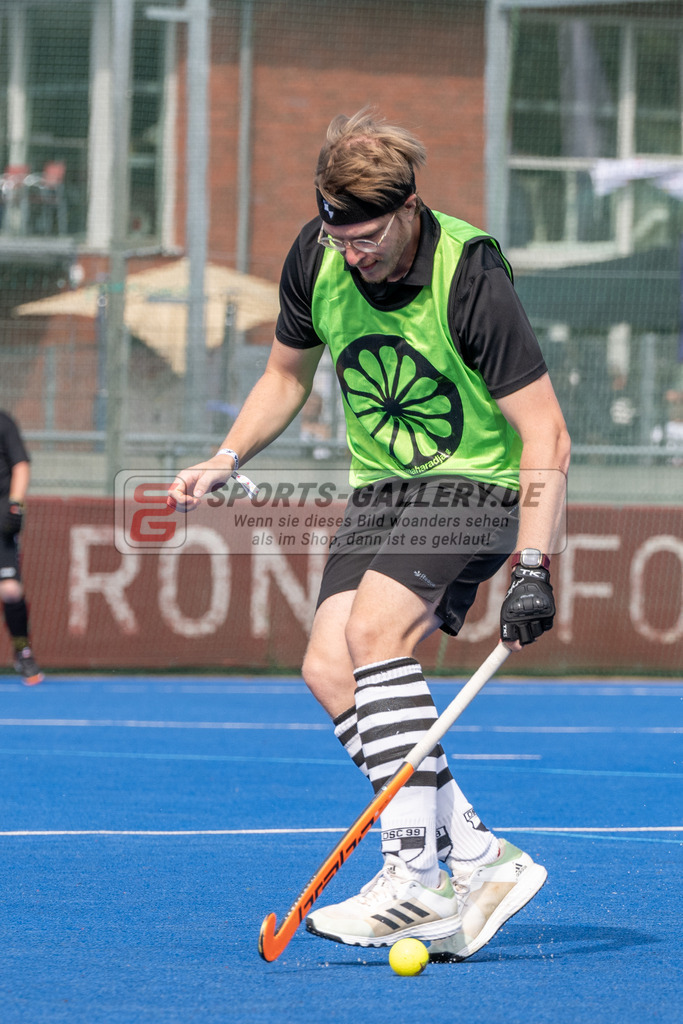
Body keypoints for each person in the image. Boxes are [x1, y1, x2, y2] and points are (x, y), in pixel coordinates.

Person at [169, 109, 570, 961]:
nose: (353, 255)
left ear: (410, 208)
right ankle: (473, 852)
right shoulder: (315, 257)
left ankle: (415, 880)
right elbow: (285, 374)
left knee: (374, 632)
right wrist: (227, 454)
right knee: (326, 665)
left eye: (368, 238)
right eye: (338, 235)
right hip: (382, 486)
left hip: (478, 480)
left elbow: (546, 432)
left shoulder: (469, 272)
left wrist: (533, 562)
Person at [0, 410, 43, 685]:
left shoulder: (4, 422)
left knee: (10, 590)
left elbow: (21, 465)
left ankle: (22, 650)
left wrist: (15, 504)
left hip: (0, 514)